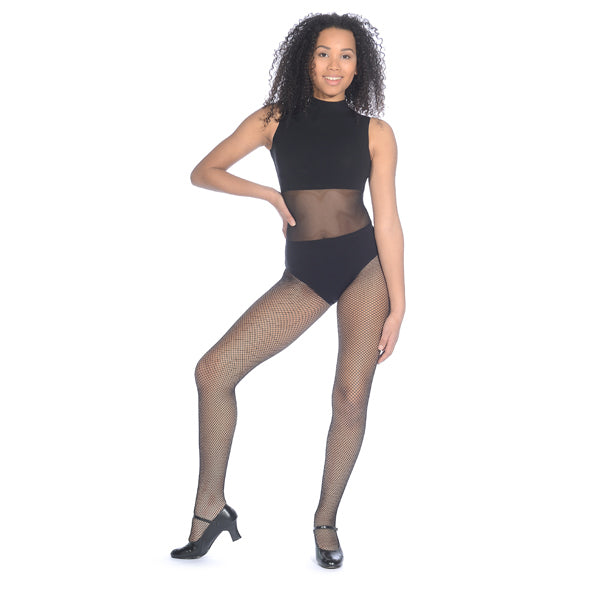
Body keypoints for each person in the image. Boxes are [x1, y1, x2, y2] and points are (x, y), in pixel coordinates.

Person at [170, 12, 405, 569]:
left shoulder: (376, 131)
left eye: (346, 55)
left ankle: (325, 522)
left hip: (364, 265)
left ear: (359, 66)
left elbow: (389, 221)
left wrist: (399, 305)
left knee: (350, 396)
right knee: (213, 372)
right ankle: (210, 508)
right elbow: (204, 171)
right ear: (306, 58)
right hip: (306, 273)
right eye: (323, 53)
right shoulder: (272, 119)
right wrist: (270, 196)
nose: (334, 65)